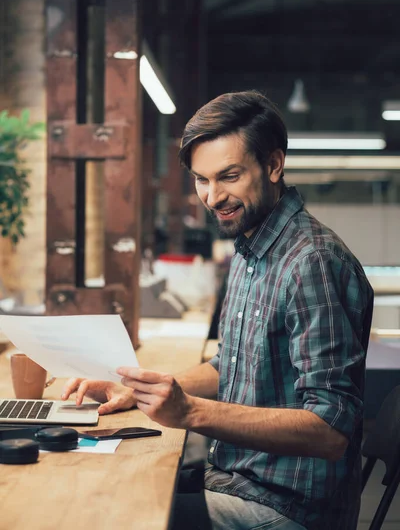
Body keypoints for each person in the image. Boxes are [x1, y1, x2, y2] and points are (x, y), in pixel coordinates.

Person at [62, 91, 373, 530]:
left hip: (286, 508)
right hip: (235, 481)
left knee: (108, 518)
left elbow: (329, 431)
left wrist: (189, 412)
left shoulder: (311, 262)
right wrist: (134, 390)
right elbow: (230, 364)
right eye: (201, 180)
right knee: (100, 490)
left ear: (273, 165)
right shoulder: (253, 248)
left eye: (228, 176)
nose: (212, 197)